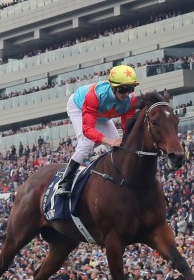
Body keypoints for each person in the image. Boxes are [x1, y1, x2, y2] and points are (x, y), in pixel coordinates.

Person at [55, 65, 139, 196]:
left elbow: (126, 126)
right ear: (113, 87)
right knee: (86, 144)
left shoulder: (130, 101)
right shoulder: (95, 95)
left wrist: (121, 140)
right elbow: (88, 130)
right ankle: (64, 182)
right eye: (123, 89)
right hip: (79, 106)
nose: (127, 94)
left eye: (130, 89)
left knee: (117, 149)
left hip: (102, 114)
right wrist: (109, 141)